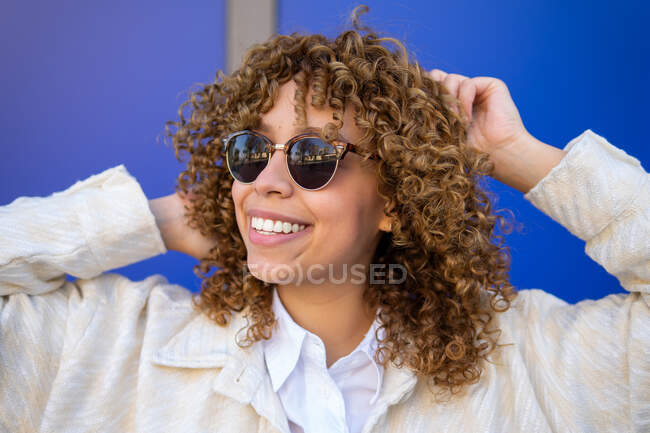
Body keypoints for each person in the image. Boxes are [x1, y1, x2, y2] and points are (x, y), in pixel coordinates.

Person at [1, 8, 648, 433]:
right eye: (251, 152)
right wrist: (158, 220)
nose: (267, 182)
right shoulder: (111, 348)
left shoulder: (528, 362)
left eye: (314, 156)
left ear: (395, 195)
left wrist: (516, 155)